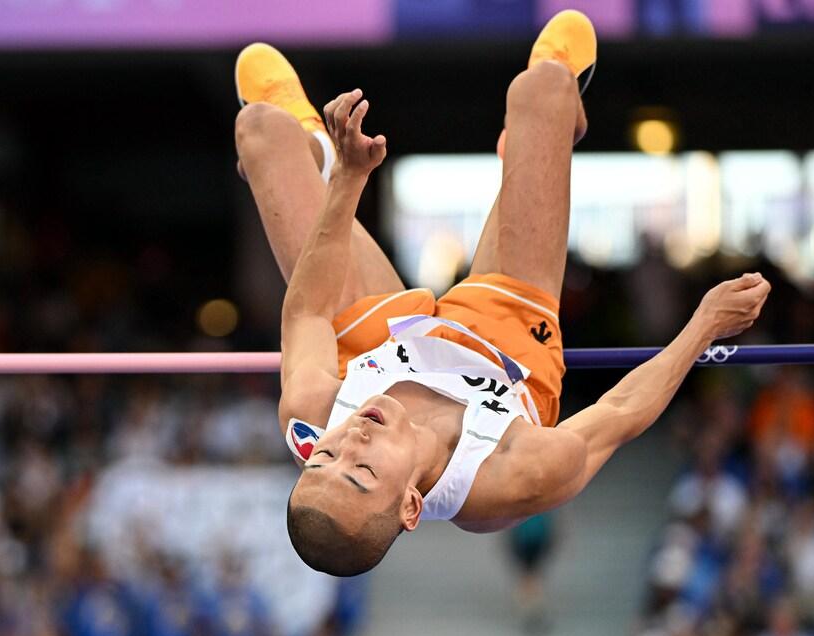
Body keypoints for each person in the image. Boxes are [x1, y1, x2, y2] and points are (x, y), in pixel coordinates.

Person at [232, 10, 772, 576]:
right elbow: (620, 413)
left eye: (324, 455)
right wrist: (704, 326)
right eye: (362, 470)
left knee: (261, 131)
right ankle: (539, 138)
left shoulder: (312, 414)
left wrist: (347, 177)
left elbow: (309, 309)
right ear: (411, 505)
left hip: (372, 334)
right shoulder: (510, 476)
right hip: (505, 341)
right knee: (543, 89)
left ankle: (312, 145)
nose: (352, 440)